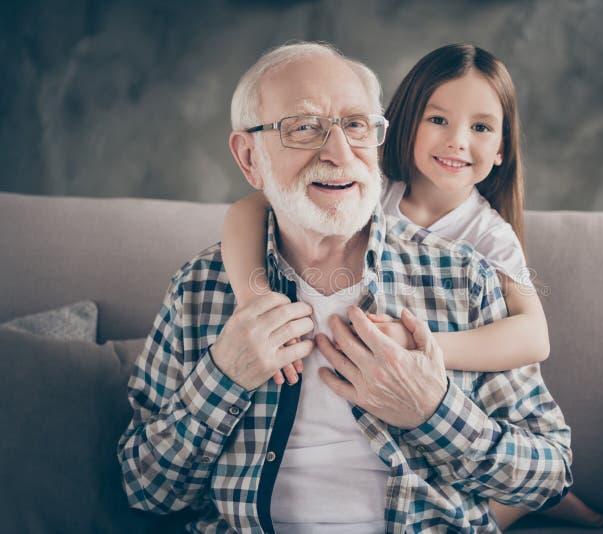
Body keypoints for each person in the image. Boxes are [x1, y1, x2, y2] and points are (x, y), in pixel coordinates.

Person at [118, 41, 572, 533]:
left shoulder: (467, 275)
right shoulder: (201, 291)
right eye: (304, 127)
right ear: (249, 158)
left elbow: (551, 475)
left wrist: (432, 409)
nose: (338, 153)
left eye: (356, 125)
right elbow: (145, 490)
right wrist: (224, 375)